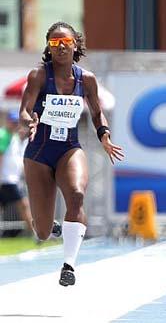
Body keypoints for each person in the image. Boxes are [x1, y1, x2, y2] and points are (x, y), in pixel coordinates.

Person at [19, 21, 124, 286]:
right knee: (42, 232)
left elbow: (97, 112)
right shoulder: (39, 76)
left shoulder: (86, 79)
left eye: (66, 41)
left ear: (75, 44)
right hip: (39, 152)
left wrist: (105, 138)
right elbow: (24, 109)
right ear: (48, 47)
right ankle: (49, 225)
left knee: (77, 194)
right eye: (55, 43)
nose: (61, 47)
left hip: (69, 148)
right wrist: (28, 122)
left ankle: (69, 265)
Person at [0, 110, 34, 235]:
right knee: (24, 205)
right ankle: (35, 233)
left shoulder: (13, 137)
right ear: (8, 121)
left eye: (16, 122)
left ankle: (34, 232)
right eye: (13, 122)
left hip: (10, 179)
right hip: (6, 179)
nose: (15, 124)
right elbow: (1, 156)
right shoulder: (3, 135)